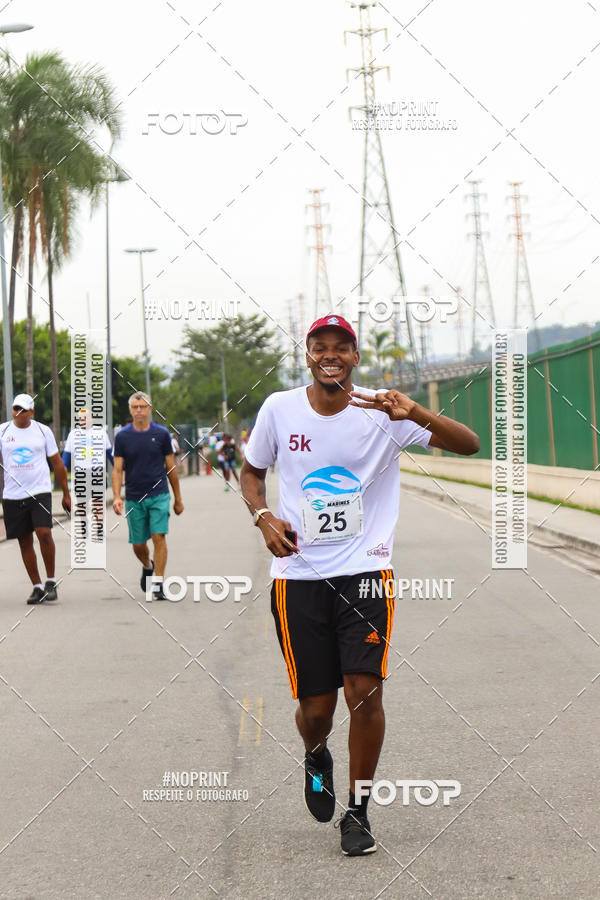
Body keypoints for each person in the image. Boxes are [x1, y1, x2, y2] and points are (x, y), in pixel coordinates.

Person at [240, 314, 480, 856]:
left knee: (363, 693)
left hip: (367, 572)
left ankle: (359, 811)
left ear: (354, 356)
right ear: (308, 355)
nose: (331, 355)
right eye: (320, 347)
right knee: (317, 710)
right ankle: (316, 754)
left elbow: (467, 444)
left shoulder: (383, 410)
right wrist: (263, 517)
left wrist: (413, 410)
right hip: (298, 575)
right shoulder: (280, 408)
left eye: (341, 348)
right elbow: (252, 473)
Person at [112, 392, 184, 601]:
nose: (139, 411)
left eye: (142, 407)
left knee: (158, 536)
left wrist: (178, 498)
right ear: (130, 410)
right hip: (134, 496)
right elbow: (117, 470)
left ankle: (159, 583)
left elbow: (170, 467)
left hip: (159, 494)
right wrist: (117, 496)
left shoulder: (162, 435)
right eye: (135, 407)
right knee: (138, 544)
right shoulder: (122, 437)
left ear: (150, 409)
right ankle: (147, 565)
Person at [0, 393, 72, 604]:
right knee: (24, 541)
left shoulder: (43, 431)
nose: (18, 413)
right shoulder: (3, 431)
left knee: (44, 533)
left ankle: (51, 581)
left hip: (39, 491)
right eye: (16, 409)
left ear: (32, 412)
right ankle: (37, 586)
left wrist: (66, 494)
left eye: (23, 409)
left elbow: (58, 463)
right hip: (12, 494)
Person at [62, 408, 114, 475]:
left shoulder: (101, 432)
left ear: (91, 418)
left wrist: (120, 469)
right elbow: (66, 456)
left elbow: (110, 454)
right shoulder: (73, 434)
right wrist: (63, 468)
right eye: (81, 418)